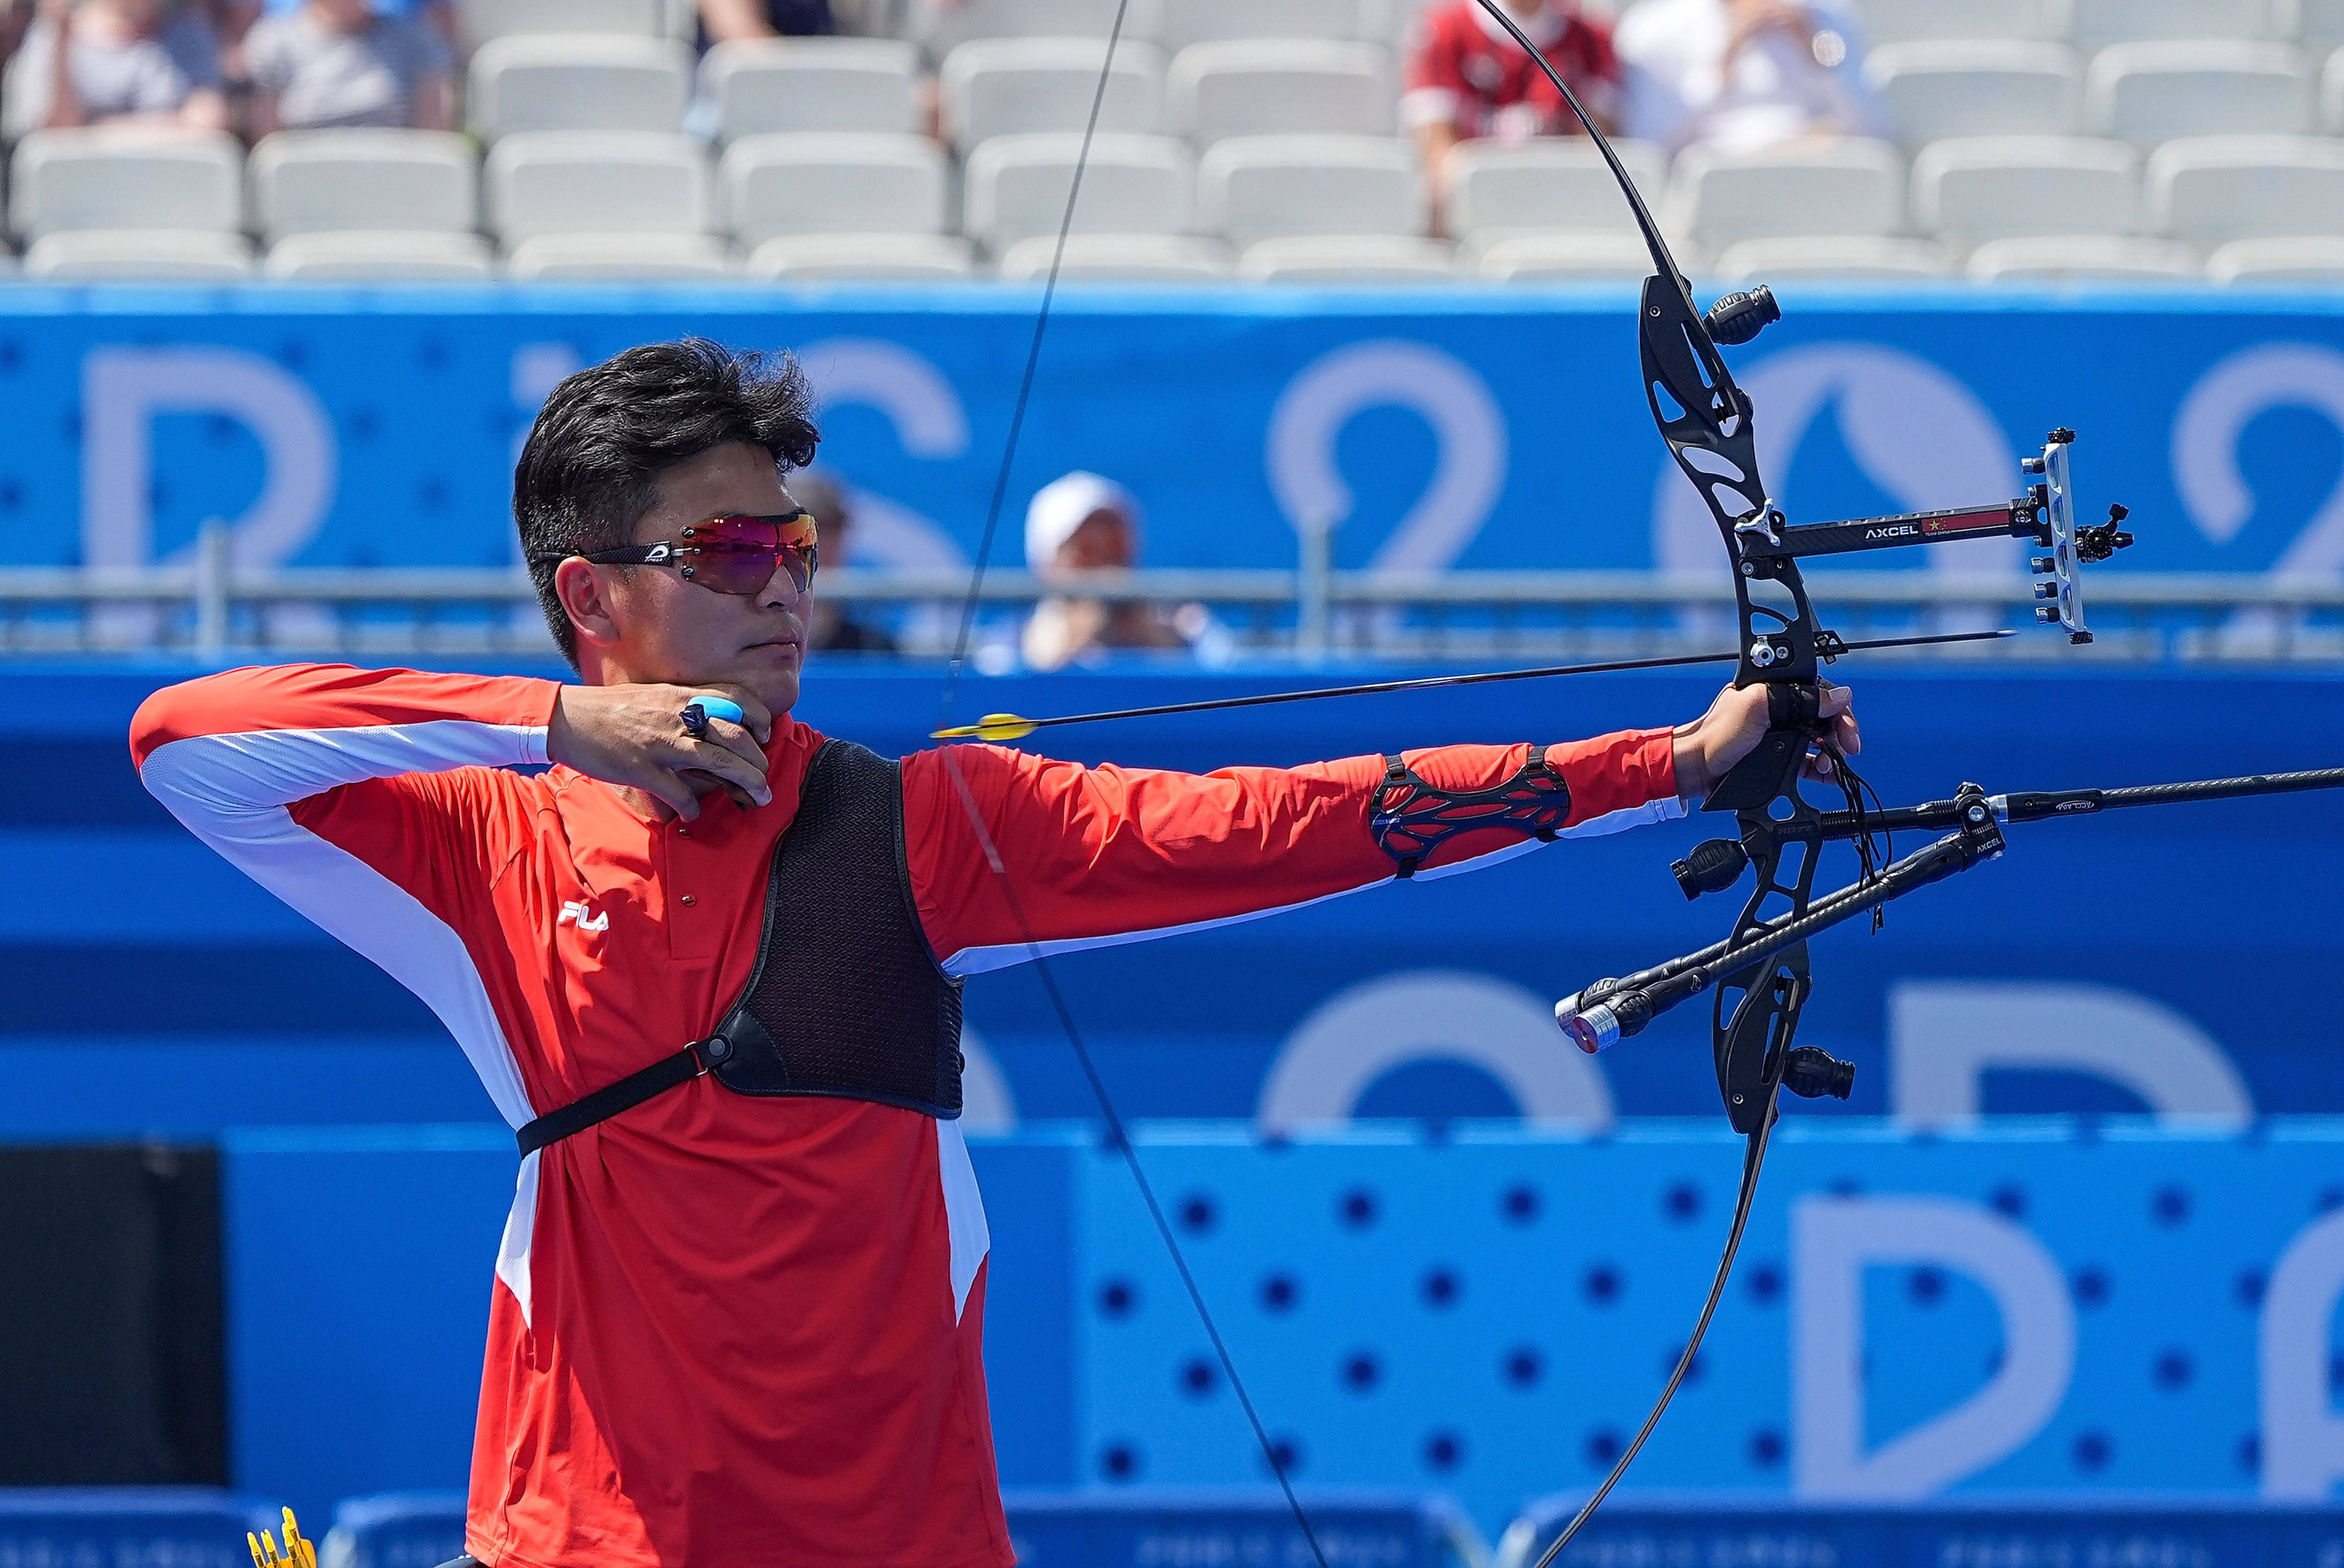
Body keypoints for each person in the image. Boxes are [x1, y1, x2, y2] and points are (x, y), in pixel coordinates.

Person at [130, 338, 1858, 1568]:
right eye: (731, 553)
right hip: (584, 1544)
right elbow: (188, 738)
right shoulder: (476, 842)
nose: (783, 585)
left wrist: (1678, 767)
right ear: (594, 597)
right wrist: (559, 730)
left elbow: (1276, 823)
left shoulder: (917, 824)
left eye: (792, 546)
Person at [1402, 0, 1619, 221]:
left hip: (1559, 212)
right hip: (1477, 215)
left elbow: (1594, 157)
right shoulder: (1444, 30)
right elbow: (1438, 154)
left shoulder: (1591, 38)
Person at [1614, 0, 1884, 157]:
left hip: (1816, 174)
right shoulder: (1653, 26)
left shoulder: (1828, 15)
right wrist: (1728, 51)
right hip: (1722, 183)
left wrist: (1814, 47)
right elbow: (1648, 144)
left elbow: (1874, 130)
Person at [1019, 469, 1193, 671]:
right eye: (1087, 548)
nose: (1105, 560)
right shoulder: (1014, 639)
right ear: (1050, 561)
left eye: (1115, 541)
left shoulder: (1184, 621)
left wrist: (1159, 642)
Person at [3, 0, 227, 137]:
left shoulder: (188, 34)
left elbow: (207, 125)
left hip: (166, 193)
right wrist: (61, 39)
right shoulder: (52, 34)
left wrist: (94, 130)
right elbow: (55, 132)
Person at [241, 0, 449, 133]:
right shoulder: (272, 42)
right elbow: (267, 148)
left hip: (391, 186)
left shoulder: (416, 42)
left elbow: (433, 139)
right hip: (307, 188)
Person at [789, 468, 897, 653]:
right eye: (805, 530)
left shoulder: (875, 651)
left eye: (830, 529)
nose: (817, 544)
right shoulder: (751, 643)